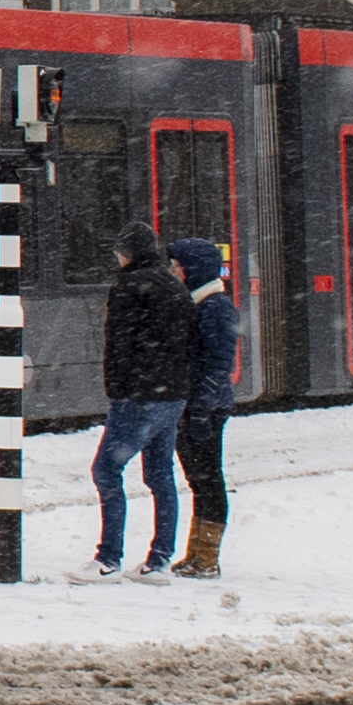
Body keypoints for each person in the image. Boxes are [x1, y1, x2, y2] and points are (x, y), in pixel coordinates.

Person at [88, 223, 189, 576]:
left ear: (128, 253)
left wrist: (118, 391)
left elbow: (119, 343)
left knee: (106, 469)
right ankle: (160, 559)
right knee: (161, 474)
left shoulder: (128, 286)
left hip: (139, 397)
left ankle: (108, 558)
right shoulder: (174, 286)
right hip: (172, 397)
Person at [170, 232, 239, 576]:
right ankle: (196, 554)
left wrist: (200, 409)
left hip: (206, 408)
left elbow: (217, 366)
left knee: (209, 479)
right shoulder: (197, 302)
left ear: (193, 269)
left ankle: (207, 558)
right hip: (194, 405)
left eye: (177, 265)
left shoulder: (215, 307)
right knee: (199, 480)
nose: (173, 271)